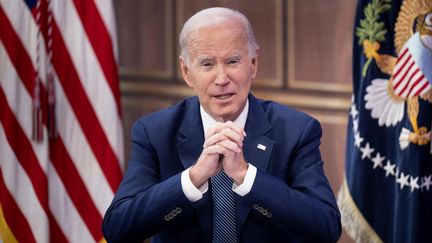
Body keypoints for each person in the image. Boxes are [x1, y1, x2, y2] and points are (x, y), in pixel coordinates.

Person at [102, 7, 341, 243]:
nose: (222, 79)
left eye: (233, 61)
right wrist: (193, 178)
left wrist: (246, 176)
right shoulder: (155, 132)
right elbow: (118, 229)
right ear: (187, 72)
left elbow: (326, 227)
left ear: (254, 63)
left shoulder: (296, 131)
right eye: (207, 64)